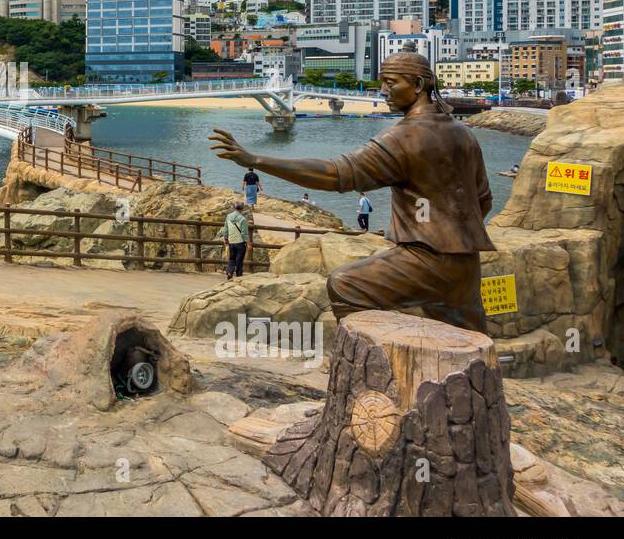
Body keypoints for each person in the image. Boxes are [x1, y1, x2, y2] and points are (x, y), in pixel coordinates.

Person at [208, 42, 494, 333]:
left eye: (390, 83)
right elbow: (484, 199)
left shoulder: (403, 138)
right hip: (466, 263)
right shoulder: (463, 133)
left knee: (345, 285)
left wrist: (254, 158)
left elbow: (335, 175)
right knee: (471, 340)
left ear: (418, 84)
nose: (383, 91)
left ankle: (374, 365)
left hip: (425, 257)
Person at [218, 202, 251, 281]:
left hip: (231, 242)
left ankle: (229, 272)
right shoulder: (243, 219)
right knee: (239, 260)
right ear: (242, 209)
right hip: (240, 243)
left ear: (235, 208)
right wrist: (248, 243)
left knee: (232, 259)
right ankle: (239, 275)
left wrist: (225, 239)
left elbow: (226, 229)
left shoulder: (228, 217)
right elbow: (244, 233)